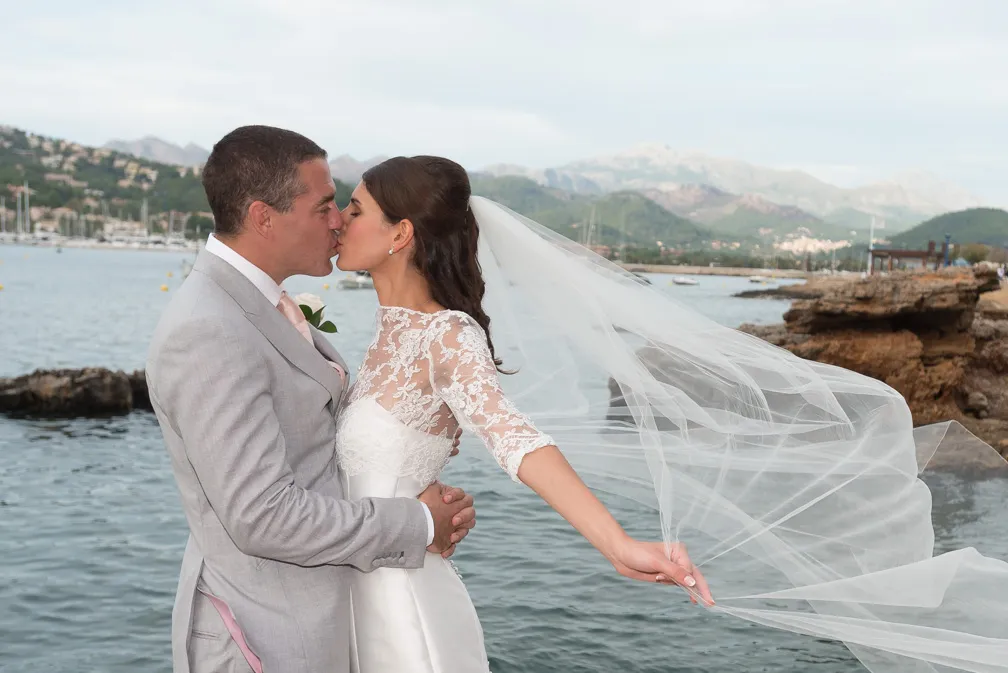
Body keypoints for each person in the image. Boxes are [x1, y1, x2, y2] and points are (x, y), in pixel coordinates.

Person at [332, 155, 713, 672]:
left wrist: (617, 543)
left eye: (354, 210)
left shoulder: (447, 335)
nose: (339, 219)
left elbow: (514, 437)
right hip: (350, 587)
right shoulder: (389, 329)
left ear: (399, 234)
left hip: (398, 603)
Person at [146, 127, 478, 673]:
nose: (338, 221)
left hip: (327, 624)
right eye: (324, 205)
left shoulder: (263, 305)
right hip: (264, 641)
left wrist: (404, 448)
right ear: (263, 217)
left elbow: (315, 443)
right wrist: (416, 523)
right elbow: (263, 516)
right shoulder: (209, 329)